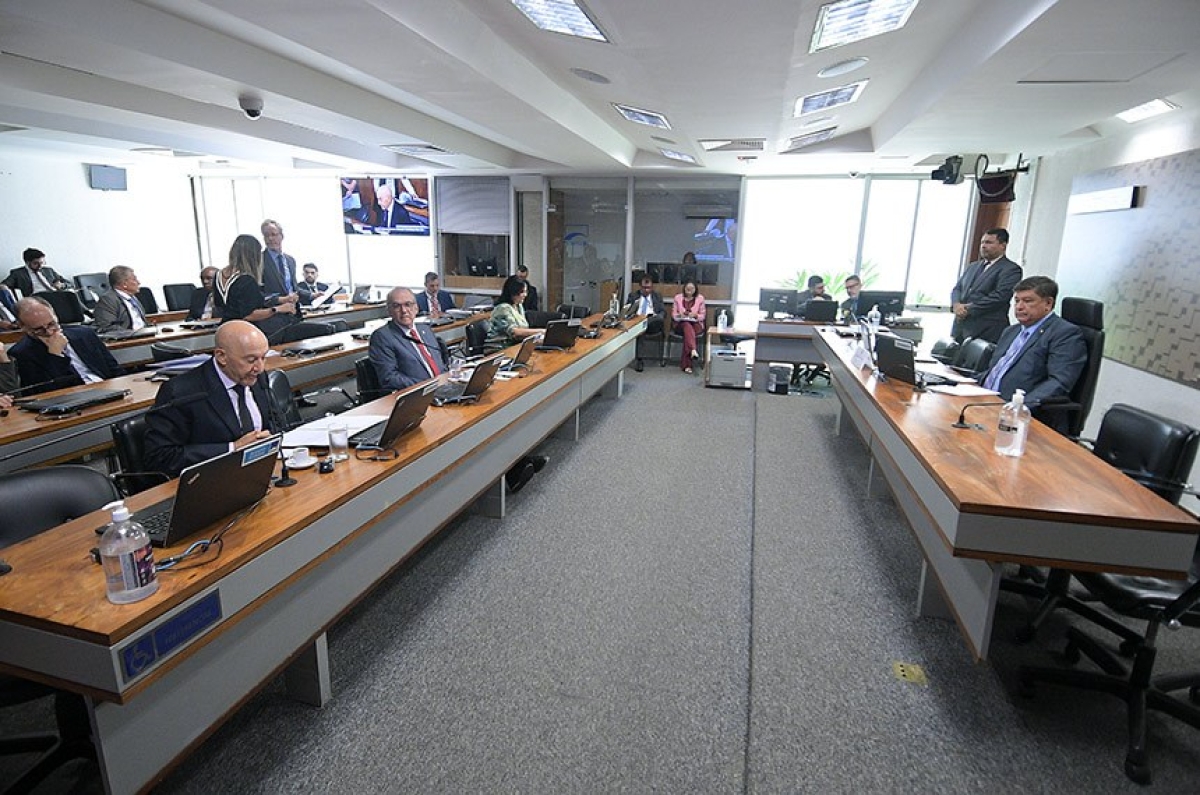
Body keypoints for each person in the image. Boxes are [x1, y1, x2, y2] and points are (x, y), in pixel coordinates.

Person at [143, 320, 279, 478]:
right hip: (208, 481)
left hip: (258, 473)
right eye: (251, 360)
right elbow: (160, 457)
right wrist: (232, 448)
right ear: (221, 356)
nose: (260, 368)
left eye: (263, 357)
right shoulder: (181, 392)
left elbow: (273, 422)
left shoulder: (256, 377)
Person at [978, 275, 1087, 432]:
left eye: (1028, 301)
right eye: (1017, 301)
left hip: (1017, 417)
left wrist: (1018, 408)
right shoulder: (1011, 331)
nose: (1019, 307)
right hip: (984, 402)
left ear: (1048, 304)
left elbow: (1059, 382)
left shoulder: (1065, 334)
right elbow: (996, 371)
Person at [9, 296, 122, 394]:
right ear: (23, 327)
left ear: (55, 315)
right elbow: (45, 392)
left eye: (51, 324)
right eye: (38, 329)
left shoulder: (84, 333)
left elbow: (114, 369)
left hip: (107, 388)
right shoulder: (21, 353)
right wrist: (55, 356)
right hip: (74, 398)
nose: (49, 332)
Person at [214, 234, 298, 342]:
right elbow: (248, 315)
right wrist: (279, 309)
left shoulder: (218, 275)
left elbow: (226, 303)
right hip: (243, 334)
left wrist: (281, 299)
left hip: (224, 330)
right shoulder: (246, 279)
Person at [368, 287, 449, 392]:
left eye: (408, 304)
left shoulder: (425, 329)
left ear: (416, 308)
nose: (404, 310)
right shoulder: (382, 337)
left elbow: (440, 363)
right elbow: (389, 378)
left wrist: (448, 378)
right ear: (389, 311)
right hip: (416, 394)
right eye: (397, 306)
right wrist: (429, 385)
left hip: (442, 388)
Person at [950, 228, 1022, 343]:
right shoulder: (973, 266)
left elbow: (1000, 297)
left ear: (1003, 245)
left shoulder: (1011, 269)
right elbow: (957, 289)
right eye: (982, 242)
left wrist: (967, 309)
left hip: (987, 330)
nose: (983, 246)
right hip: (961, 328)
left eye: (989, 242)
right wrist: (956, 305)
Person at [487, 275, 541, 351]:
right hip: (498, 350)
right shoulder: (503, 308)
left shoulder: (519, 306)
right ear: (513, 292)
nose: (525, 295)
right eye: (522, 292)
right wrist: (541, 331)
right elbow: (515, 333)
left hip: (514, 347)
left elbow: (523, 329)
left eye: (526, 291)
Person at [93, 266, 149, 333]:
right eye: (134, 279)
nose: (139, 282)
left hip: (144, 335)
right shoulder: (108, 300)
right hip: (128, 339)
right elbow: (107, 327)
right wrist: (133, 334)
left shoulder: (133, 298)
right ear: (124, 284)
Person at [626, 276, 665, 372]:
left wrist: (655, 317)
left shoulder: (657, 296)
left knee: (656, 320)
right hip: (637, 323)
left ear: (652, 287)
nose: (647, 290)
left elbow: (663, 312)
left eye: (649, 287)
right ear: (640, 287)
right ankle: (640, 360)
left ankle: (639, 359)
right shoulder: (633, 296)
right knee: (641, 328)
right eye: (644, 287)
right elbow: (627, 311)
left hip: (653, 323)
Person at [259, 219, 301, 307]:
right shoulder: (259, 260)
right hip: (273, 313)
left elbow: (294, 288)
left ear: (282, 236)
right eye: (266, 235)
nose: (270, 238)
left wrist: (312, 296)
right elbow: (258, 293)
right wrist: (280, 299)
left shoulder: (290, 260)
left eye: (273, 234)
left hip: (293, 312)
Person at [671, 281, 706, 374]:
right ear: (684, 289)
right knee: (686, 325)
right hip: (680, 325)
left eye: (692, 289)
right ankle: (693, 350)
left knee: (688, 333)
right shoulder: (678, 298)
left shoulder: (700, 299)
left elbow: (703, 316)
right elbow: (674, 315)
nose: (689, 291)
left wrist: (695, 315)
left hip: (696, 325)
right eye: (687, 289)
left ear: (695, 290)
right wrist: (680, 316)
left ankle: (687, 365)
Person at [4, 248, 71, 295]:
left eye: (42, 262)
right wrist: (5, 288)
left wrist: (62, 285)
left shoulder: (48, 270)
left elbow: (69, 283)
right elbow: (4, 285)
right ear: (27, 263)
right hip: (36, 299)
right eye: (36, 263)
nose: (40, 266)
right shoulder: (18, 273)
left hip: (55, 294)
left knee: (71, 296)